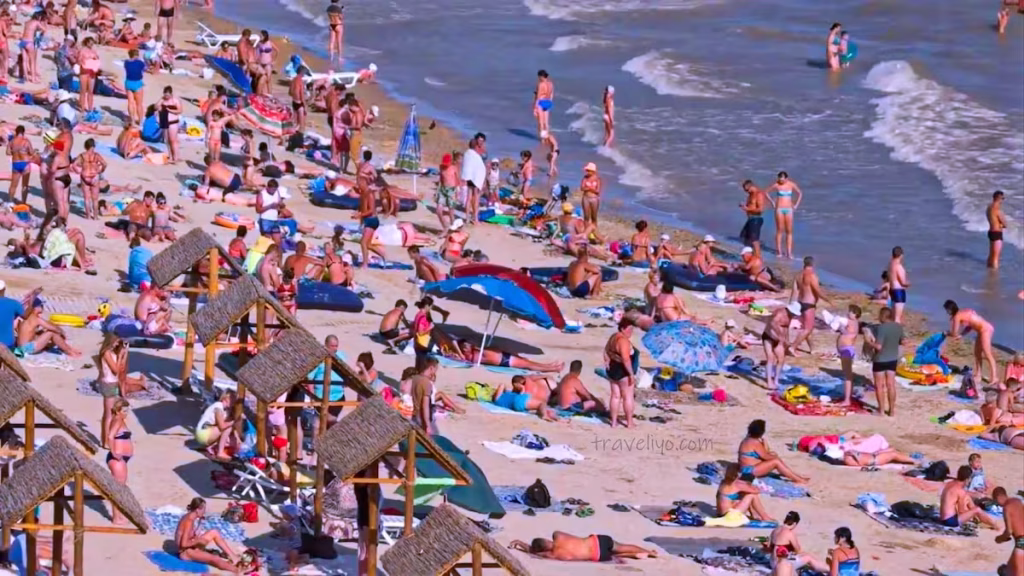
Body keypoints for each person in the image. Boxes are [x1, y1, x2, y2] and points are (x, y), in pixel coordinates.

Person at [174, 497, 241, 573]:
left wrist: (197, 534)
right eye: (203, 509)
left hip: (192, 546)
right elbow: (183, 544)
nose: (204, 511)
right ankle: (237, 570)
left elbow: (190, 535)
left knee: (214, 532)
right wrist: (198, 540)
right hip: (185, 552)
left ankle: (233, 557)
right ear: (197, 509)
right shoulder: (188, 521)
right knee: (214, 559)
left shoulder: (192, 517)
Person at [737, 419, 809, 483]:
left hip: (747, 469)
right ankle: (798, 479)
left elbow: (765, 453)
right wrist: (774, 455)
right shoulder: (754, 442)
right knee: (776, 461)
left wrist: (766, 445)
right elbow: (766, 456)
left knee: (774, 457)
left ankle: (795, 476)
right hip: (749, 471)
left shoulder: (748, 439)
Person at [945, 299, 998, 383]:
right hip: (982, 330)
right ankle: (978, 374)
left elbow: (954, 333)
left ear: (949, 310)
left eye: (947, 310)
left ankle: (994, 377)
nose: (947, 313)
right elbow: (970, 326)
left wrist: (947, 333)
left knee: (987, 354)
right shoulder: (964, 312)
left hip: (986, 330)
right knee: (977, 353)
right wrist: (962, 335)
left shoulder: (957, 317)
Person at [509, 532, 656, 562]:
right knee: (621, 546)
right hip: (597, 541)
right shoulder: (558, 536)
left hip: (597, 556)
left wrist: (520, 543)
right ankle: (649, 552)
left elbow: (533, 553)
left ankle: (631, 556)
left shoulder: (554, 555)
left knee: (613, 556)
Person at [863, 306, 903, 416]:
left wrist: (868, 342)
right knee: (891, 385)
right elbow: (902, 341)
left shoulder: (882, 328)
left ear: (883, 316)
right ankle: (892, 411)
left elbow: (879, 347)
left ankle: (881, 411)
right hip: (893, 359)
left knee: (879, 386)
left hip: (880, 359)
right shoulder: (898, 327)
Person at [789, 256, 830, 355]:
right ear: (813, 264)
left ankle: (812, 348)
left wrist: (791, 305)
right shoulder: (812, 276)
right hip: (809, 304)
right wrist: (829, 300)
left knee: (807, 328)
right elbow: (817, 291)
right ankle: (793, 347)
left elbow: (794, 291)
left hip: (800, 303)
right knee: (808, 328)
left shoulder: (798, 275)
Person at [940, 466, 1001, 530]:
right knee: (977, 510)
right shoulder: (960, 491)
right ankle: (995, 525)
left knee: (967, 498)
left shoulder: (950, 483)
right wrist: (971, 513)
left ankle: (980, 518)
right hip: (950, 521)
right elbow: (961, 511)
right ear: (967, 479)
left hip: (943, 518)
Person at [16, 298, 81, 357]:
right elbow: (54, 328)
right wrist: (63, 333)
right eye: (41, 306)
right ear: (35, 308)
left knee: (44, 332)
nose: (42, 307)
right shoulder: (36, 319)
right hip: (27, 349)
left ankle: (69, 348)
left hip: (20, 348)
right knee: (51, 333)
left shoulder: (24, 318)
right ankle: (70, 351)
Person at [456, 340, 565, 373]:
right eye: (465, 346)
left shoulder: (474, 352)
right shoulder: (469, 356)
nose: (468, 346)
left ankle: (549, 365)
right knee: (528, 365)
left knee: (527, 361)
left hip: (503, 356)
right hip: (503, 360)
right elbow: (455, 344)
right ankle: (553, 369)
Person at [605, 319, 637, 428]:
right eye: (630, 329)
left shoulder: (613, 337)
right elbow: (626, 359)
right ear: (623, 328)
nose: (631, 331)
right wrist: (631, 374)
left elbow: (606, 350)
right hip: (623, 370)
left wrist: (607, 362)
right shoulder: (623, 341)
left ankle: (613, 422)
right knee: (628, 396)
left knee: (615, 396)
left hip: (613, 368)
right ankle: (629, 423)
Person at [105, 398, 133, 524]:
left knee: (121, 488)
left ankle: (119, 515)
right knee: (118, 489)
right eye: (124, 411)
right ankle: (116, 517)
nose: (126, 413)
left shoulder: (119, 419)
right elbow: (110, 436)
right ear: (118, 411)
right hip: (117, 459)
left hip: (120, 459)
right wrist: (114, 452)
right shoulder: (118, 420)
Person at [764, 171, 803, 259]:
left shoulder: (791, 184)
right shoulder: (776, 185)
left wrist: (796, 205)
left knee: (789, 231)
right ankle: (779, 251)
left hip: (789, 209)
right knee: (780, 230)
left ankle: (789, 252)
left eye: (782, 179)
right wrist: (772, 202)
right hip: (779, 209)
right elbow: (766, 192)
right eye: (779, 179)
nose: (781, 181)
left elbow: (800, 193)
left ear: (786, 178)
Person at [762, 302, 800, 389]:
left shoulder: (790, 316)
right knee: (770, 358)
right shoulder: (779, 313)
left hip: (779, 340)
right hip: (769, 336)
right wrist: (779, 335)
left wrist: (786, 340)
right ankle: (769, 382)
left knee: (781, 359)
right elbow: (773, 323)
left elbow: (786, 328)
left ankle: (776, 380)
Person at [195, 391, 241, 461]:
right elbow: (222, 426)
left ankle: (212, 447)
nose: (233, 402)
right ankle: (220, 452)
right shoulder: (218, 407)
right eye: (232, 399)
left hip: (209, 432)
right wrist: (235, 421)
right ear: (225, 398)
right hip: (203, 433)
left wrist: (238, 440)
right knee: (228, 427)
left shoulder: (226, 411)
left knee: (232, 441)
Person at [491, 376, 560, 421]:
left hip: (517, 404)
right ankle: (544, 416)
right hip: (520, 400)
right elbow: (502, 385)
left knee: (540, 406)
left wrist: (505, 391)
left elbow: (502, 386)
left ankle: (552, 416)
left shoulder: (499, 400)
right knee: (541, 404)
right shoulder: (499, 397)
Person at [71, 138, 107, 220]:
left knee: (86, 198)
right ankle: (95, 216)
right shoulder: (96, 156)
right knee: (95, 199)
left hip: (85, 176)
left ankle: (87, 216)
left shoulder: (82, 156)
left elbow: (74, 165)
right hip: (94, 176)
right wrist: (100, 170)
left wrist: (78, 171)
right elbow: (105, 164)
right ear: (93, 146)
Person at [993, 487, 1024, 575]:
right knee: (1011, 568)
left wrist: (1000, 539)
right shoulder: (1018, 501)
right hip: (1020, 541)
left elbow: (1009, 531)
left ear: (998, 497)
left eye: (996, 502)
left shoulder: (1006, 507)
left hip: (1021, 541)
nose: (998, 505)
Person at [836, 305, 862, 405]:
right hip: (844, 350)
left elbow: (845, 325)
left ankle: (847, 400)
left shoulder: (853, 322)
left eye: (851, 312)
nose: (848, 313)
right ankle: (847, 397)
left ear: (856, 314)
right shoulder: (851, 322)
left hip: (847, 350)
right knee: (846, 374)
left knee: (847, 375)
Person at [461, 133, 487, 225]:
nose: (480, 142)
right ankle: (473, 218)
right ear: (476, 141)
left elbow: (481, 164)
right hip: (473, 176)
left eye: (482, 140)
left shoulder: (479, 151)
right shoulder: (474, 151)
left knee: (473, 197)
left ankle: (470, 217)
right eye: (479, 140)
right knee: (474, 197)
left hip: (475, 175)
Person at [7, 125, 37, 204]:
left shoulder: (12, 141)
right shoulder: (26, 141)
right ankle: (23, 202)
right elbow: (31, 152)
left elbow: (8, 152)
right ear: (23, 133)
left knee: (13, 185)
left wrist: (15, 151)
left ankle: (10, 202)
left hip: (16, 163)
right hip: (25, 164)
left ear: (16, 132)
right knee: (25, 185)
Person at [411, 356, 440, 433]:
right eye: (436, 369)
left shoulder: (414, 378)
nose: (436, 371)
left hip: (412, 415)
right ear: (431, 368)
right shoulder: (426, 383)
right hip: (421, 418)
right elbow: (425, 406)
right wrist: (427, 425)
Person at [739, 179, 766, 257]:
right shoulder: (750, 195)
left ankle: (758, 257)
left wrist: (747, 209)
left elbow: (760, 209)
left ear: (750, 186)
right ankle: (750, 255)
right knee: (744, 236)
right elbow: (751, 206)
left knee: (754, 240)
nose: (746, 192)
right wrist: (744, 206)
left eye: (747, 190)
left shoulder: (758, 194)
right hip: (750, 219)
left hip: (756, 219)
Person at [76, 37, 101, 114]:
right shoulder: (82, 51)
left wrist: (95, 59)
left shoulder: (94, 51)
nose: (91, 44)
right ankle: (82, 108)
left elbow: (97, 60)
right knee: (83, 91)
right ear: (87, 42)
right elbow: (78, 61)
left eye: (92, 43)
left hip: (91, 73)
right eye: (90, 42)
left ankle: (90, 108)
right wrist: (83, 61)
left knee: (90, 91)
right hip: (84, 72)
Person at [158, 86, 182, 163]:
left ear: (171, 94)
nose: (166, 97)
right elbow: (156, 106)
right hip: (164, 120)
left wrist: (170, 110)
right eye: (165, 95)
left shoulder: (175, 101)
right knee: (167, 140)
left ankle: (176, 157)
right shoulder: (162, 100)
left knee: (173, 140)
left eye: (168, 95)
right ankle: (171, 156)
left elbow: (180, 110)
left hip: (173, 122)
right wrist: (160, 101)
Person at [887, 246, 909, 323]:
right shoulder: (898, 266)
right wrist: (908, 284)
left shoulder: (890, 265)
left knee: (893, 315)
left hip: (892, 290)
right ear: (901, 255)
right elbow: (902, 282)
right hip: (899, 291)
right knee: (897, 318)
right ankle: (896, 333)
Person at [0, 282, 25, 351]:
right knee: (18, 320)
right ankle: (20, 349)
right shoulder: (13, 303)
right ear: (4, 289)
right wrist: (32, 298)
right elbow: (25, 316)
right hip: (7, 345)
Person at [20, 12, 43, 84]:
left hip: (23, 41)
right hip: (30, 42)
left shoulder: (27, 22)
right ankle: (33, 79)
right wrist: (39, 32)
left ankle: (26, 77)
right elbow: (44, 29)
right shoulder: (36, 22)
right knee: (32, 61)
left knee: (24, 61)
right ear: (39, 17)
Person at [988, 190, 1007, 269]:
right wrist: (1003, 225)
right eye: (1003, 198)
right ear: (999, 198)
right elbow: (1005, 224)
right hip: (997, 233)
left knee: (991, 254)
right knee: (996, 256)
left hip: (991, 232)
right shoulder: (997, 210)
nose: (1003, 200)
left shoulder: (989, 208)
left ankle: (988, 269)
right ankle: (994, 274)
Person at [580, 162, 602, 228]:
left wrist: (588, 188)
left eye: (588, 171)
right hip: (586, 198)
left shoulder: (597, 179)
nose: (587, 172)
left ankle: (594, 231)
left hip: (594, 199)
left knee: (594, 217)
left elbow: (597, 191)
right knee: (586, 216)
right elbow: (582, 188)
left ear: (592, 171)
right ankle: (586, 231)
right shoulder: (585, 178)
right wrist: (591, 188)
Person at [533, 69, 554, 136]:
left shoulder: (541, 84)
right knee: (546, 122)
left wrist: (535, 108)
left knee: (541, 122)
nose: (538, 78)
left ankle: (543, 139)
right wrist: (550, 102)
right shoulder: (550, 84)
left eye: (539, 77)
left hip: (541, 102)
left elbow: (538, 96)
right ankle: (546, 135)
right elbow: (551, 94)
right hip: (548, 102)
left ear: (541, 76)